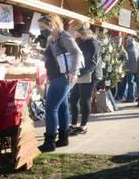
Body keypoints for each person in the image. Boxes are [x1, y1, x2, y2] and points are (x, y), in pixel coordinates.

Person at [38, 14, 82, 152]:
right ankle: (63, 138)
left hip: (62, 77)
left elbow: (76, 52)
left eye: (42, 27)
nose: (41, 30)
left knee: (51, 108)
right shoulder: (53, 38)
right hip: (58, 77)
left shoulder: (64, 36)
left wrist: (74, 72)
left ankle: (49, 142)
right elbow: (50, 56)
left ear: (52, 24)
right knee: (62, 108)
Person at [69, 21, 101, 135]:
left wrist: (77, 74)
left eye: (78, 33)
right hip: (80, 73)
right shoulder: (80, 41)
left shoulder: (93, 43)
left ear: (85, 33)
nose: (76, 35)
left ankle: (83, 126)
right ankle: (73, 124)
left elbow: (92, 64)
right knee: (73, 99)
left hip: (90, 75)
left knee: (84, 100)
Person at [120, 36, 139, 102]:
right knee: (136, 83)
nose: (125, 43)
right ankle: (137, 96)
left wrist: (124, 68)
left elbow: (126, 59)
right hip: (137, 68)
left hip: (129, 68)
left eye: (126, 42)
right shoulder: (137, 48)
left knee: (130, 83)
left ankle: (131, 98)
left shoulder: (127, 49)